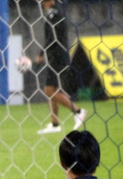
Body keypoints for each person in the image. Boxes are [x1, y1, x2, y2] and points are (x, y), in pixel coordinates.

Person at [36, 0, 86, 134]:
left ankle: (78, 111)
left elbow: (52, 38)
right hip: (56, 56)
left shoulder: (53, 15)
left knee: (49, 91)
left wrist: (41, 54)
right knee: (50, 89)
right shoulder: (55, 13)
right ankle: (54, 124)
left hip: (57, 57)